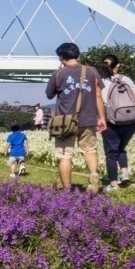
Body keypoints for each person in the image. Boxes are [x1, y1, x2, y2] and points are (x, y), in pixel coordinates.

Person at [45, 42, 107, 191]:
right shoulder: (92, 72)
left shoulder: (59, 74)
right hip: (89, 118)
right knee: (90, 150)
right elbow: (98, 95)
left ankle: (67, 190)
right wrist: (102, 118)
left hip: (65, 122)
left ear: (62, 57)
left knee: (65, 155)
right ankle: (93, 175)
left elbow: (49, 95)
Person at [99, 53, 135, 192]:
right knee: (121, 148)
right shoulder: (127, 79)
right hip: (130, 121)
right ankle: (124, 173)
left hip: (111, 121)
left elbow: (99, 101)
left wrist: (100, 119)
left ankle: (113, 184)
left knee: (111, 153)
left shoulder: (101, 82)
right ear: (118, 66)